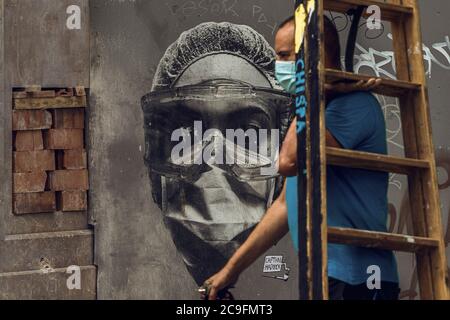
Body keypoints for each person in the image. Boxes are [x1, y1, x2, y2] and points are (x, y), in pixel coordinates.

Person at [201, 16, 400, 300]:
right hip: (324, 275)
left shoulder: (353, 106)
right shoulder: (316, 111)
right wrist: (231, 270)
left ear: (313, 56)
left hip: (361, 280)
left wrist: (310, 94)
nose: (278, 65)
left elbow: (289, 162)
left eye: (284, 56)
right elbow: (285, 205)